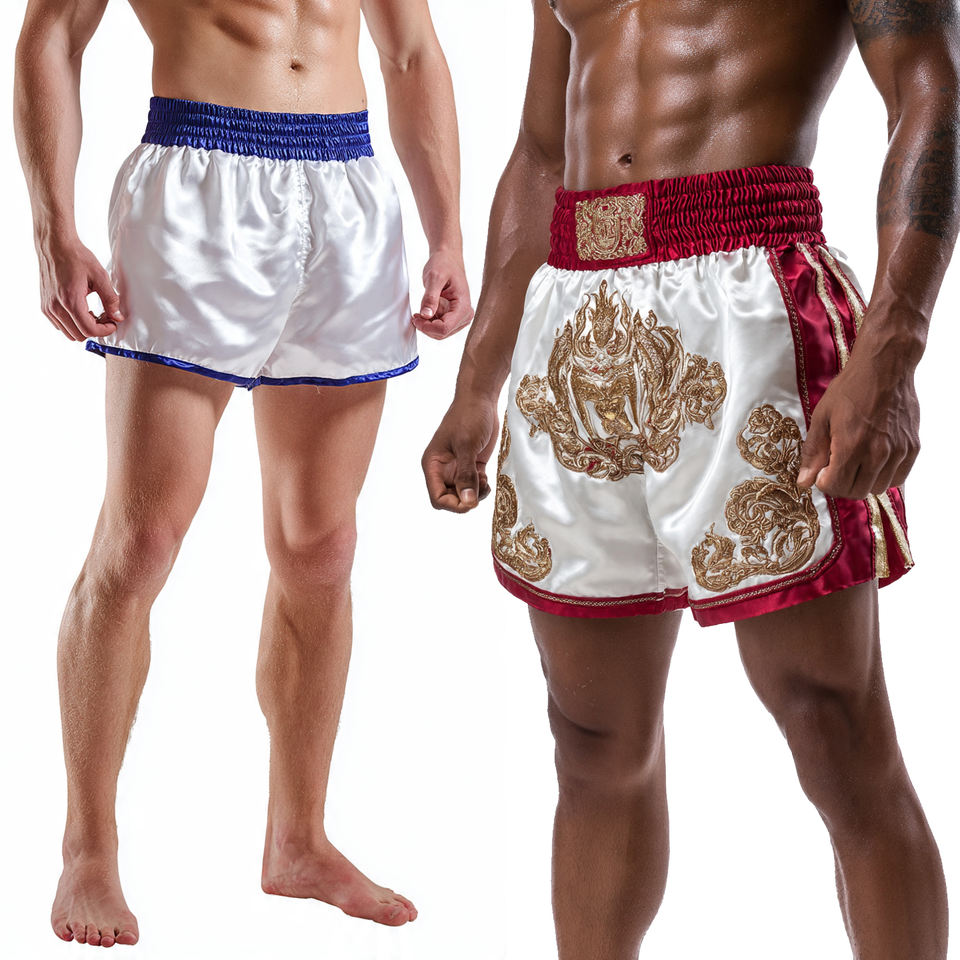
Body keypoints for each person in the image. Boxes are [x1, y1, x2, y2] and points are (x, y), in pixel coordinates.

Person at [423, 1, 954, 957]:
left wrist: (894, 345)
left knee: (831, 724)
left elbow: (931, 89)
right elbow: (541, 153)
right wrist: (476, 384)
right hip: (577, 315)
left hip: (749, 302)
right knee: (590, 740)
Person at [15, 0, 471, 948]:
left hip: (349, 191)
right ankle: (87, 847)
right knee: (141, 542)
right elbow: (52, 33)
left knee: (322, 547)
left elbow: (411, 50)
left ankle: (298, 840)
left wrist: (447, 233)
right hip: (198, 180)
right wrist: (54, 226)